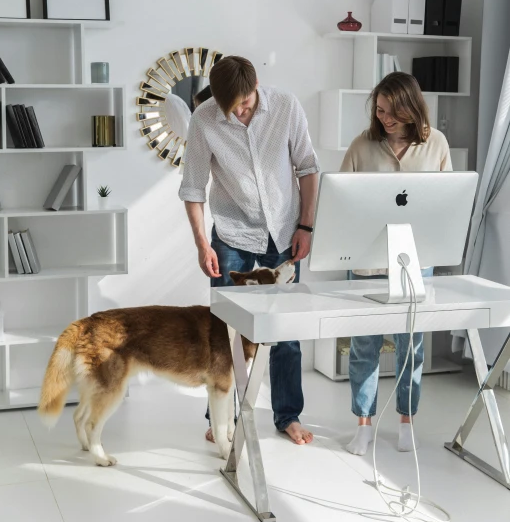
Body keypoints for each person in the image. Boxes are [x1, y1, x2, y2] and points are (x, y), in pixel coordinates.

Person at [179, 55, 320, 446]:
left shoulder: (286, 107)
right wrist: (201, 243)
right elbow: (192, 188)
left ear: (256, 85)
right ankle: (221, 415)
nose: (239, 112)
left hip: (285, 230)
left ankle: (287, 415)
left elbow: (308, 167)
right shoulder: (205, 118)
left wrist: (306, 225)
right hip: (230, 233)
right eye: (231, 107)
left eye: (244, 103)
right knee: (225, 332)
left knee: (285, 331)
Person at [340, 72, 452, 456]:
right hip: (368, 263)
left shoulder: (436, 144)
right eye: (380, 110)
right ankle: (364, 425)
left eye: (393, 111)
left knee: (411, 345)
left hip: (415, 261)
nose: (385, 118)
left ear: (412, 107)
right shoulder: (361, 146)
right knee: (364, 345)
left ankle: (406, 420)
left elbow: (445, 202)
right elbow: (341, 203)